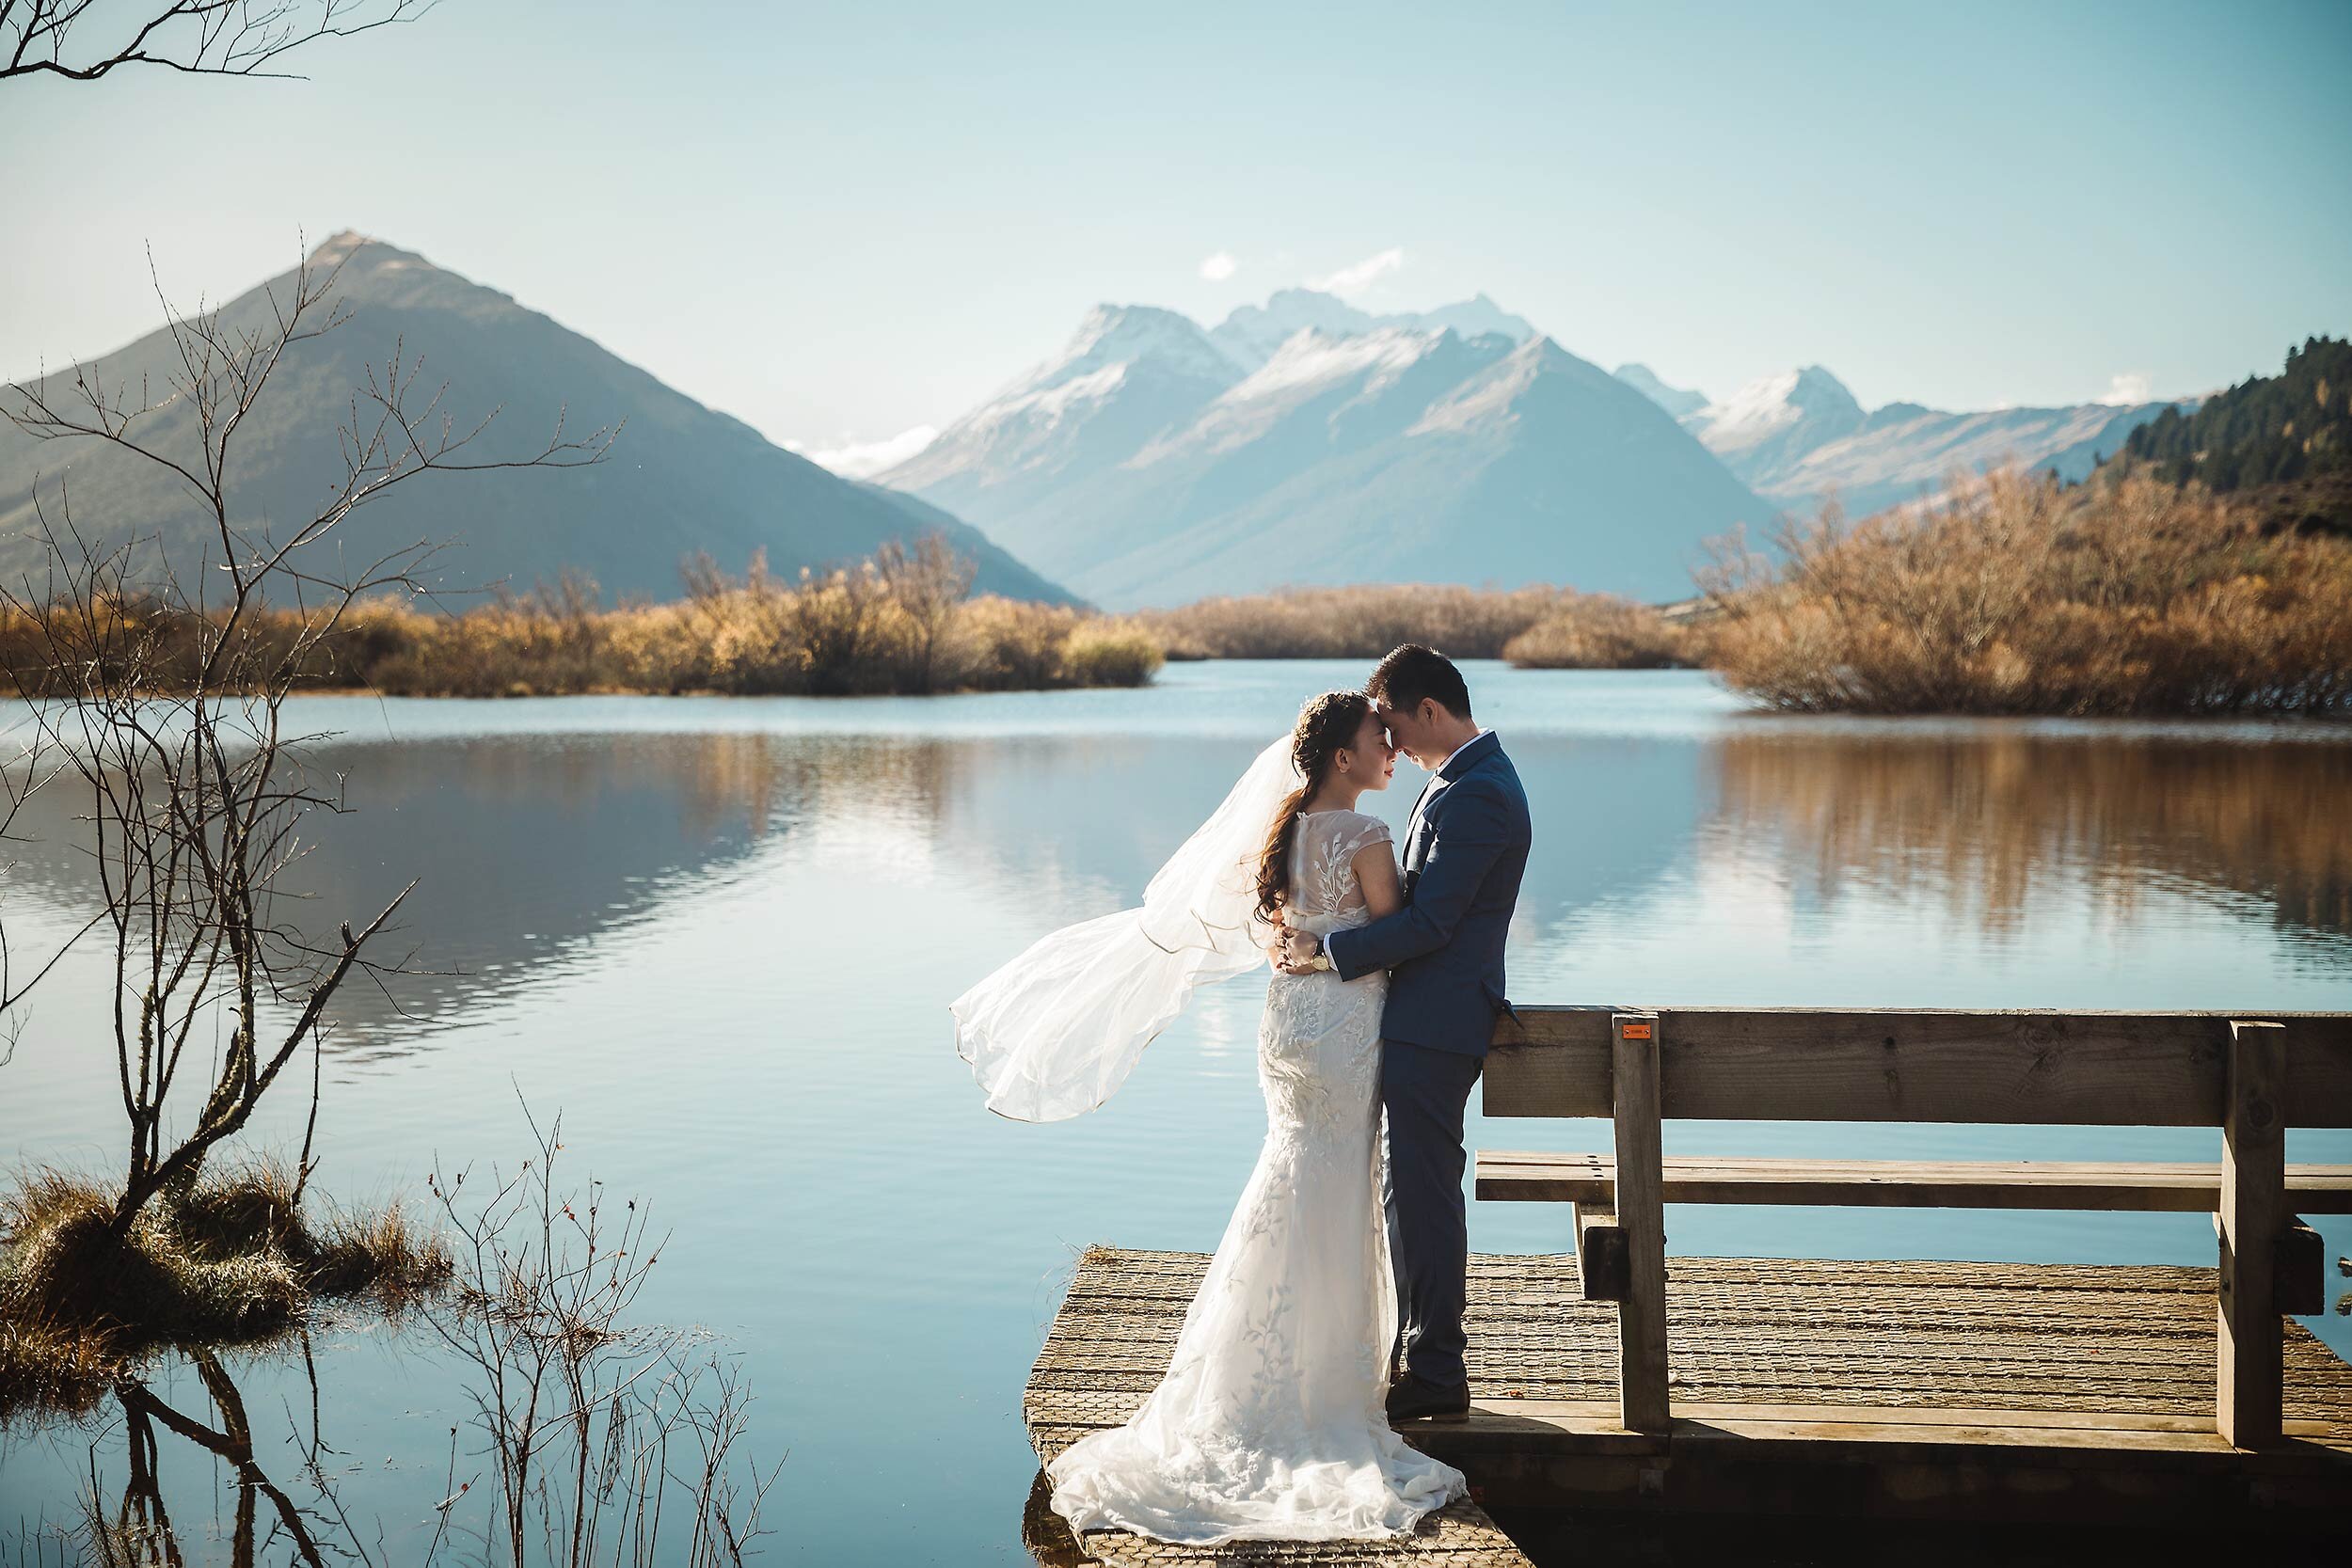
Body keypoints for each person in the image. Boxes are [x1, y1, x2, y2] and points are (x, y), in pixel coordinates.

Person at [1276, 645, 1532, 1423]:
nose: (1390, 745)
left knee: (1421, 1194)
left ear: (1428, 710)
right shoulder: (1453, 783)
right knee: (1405, 1191)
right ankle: (1412, 1346)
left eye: (1392, 724)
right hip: (1412, 1017)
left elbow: (1431, 921)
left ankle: (1438, 1368)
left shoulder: (1479, 792)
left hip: (1439, 1021)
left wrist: (1328, 949)